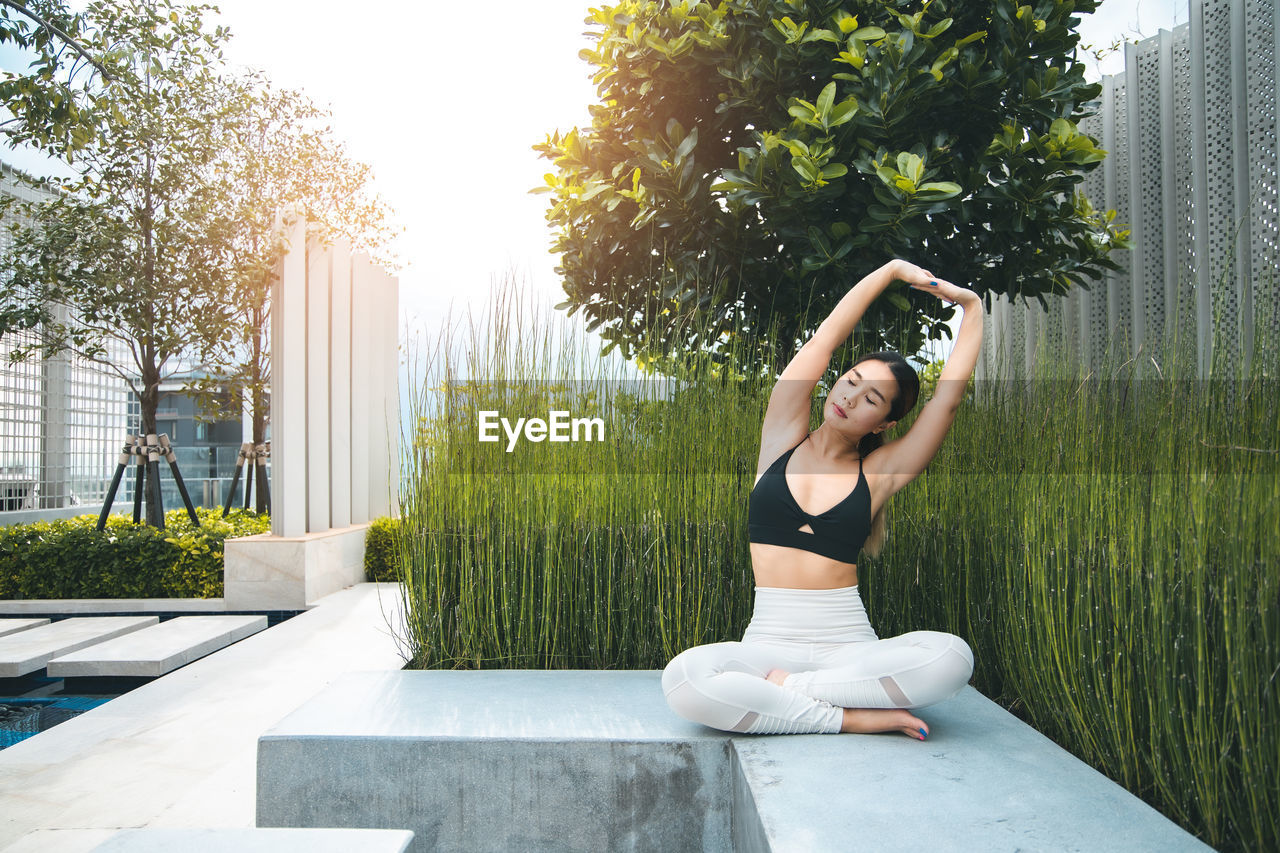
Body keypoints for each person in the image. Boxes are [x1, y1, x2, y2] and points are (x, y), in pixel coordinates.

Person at [661, 258, 983, 739]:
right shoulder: (781, 440)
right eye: (851, 381)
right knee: (684, 680)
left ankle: (795, 690)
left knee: (952, 657)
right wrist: (890, 271)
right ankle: (846, 716)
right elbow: (824, 340)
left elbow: (948, 401)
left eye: (872, 399)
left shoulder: (877, 475)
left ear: (884, 424)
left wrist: (973, 308)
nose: (850, 397)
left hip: (848, 646)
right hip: (767, 641)